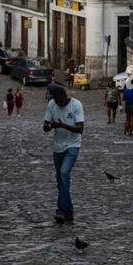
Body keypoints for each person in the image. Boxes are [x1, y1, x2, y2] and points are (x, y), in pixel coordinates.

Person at [43, 84, 84, 224]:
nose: (58, 103)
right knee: (60, 180)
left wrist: (62, 125)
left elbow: (80, 129)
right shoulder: (51, 104)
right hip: (58, 146)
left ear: (64, 96)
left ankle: (60, 210)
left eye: (59, 101)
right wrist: (50, 126)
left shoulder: (76, 105)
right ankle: (69, 211)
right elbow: (45, 126)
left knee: (64, 173)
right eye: (55, 101)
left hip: (73, 145)